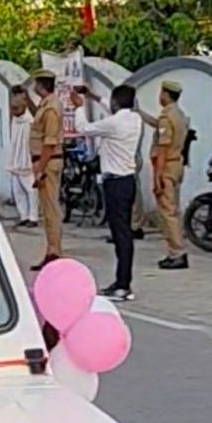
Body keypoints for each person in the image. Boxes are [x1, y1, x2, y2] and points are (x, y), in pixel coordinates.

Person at [71, 85, 143, 301]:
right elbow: (113, 110)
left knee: (121, 234)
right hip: (128, 180)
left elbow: (83, 128)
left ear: (115, 102)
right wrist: (93, 96)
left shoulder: (114, 123)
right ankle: (122, 281)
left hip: (115, 183)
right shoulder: (134, 119)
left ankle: (122, 285)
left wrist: (79, 107)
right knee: (123, 232)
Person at [150, 81, 190, 269]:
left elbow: (162, 149)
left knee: (167, 212)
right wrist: (140, 113)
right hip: (176, 165)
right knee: (174, 210)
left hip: (166, 166)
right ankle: (177, 250)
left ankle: (177, 252)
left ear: (165, 94)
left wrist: (157, 177)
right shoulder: (178, 114)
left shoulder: (167, 117)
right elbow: (157, 125)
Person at [28, 69, 64, 270]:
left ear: (41, 85)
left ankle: (54, 251)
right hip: (44, 161)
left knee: (51, 209)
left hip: (48, 162)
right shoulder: (45, 105)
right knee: (47, 209)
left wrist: (40, 169)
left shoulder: (51, 108)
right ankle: (52, 249)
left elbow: (49, 142)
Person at [7, 85, 38, 229]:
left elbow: (36, 113)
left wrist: (26, 96)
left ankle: (33, 217)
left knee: (31, 190)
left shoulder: (29, 119)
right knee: (17, 191)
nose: (14, 111)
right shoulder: (15, 120)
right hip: (15, 158)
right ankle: (23, 216)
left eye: (17, 108)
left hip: (27, 158)